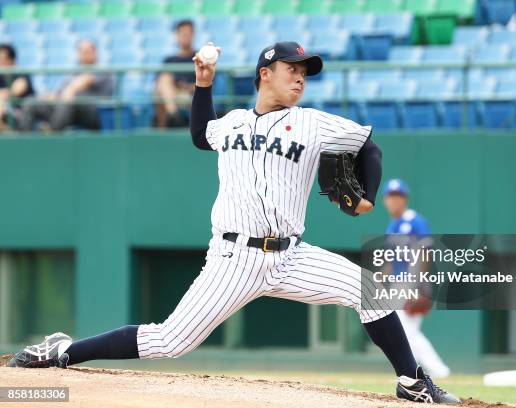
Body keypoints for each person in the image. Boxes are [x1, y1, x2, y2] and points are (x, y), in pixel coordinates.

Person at [7, 41, 460, 404]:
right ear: (266, 74)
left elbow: (369, 146)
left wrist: (366, 196)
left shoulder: (314, 124)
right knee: (169, 341)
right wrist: (203, 84)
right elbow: (202, 135)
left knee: (369, 290)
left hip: (290, 254)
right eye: (292, 69)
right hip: (233, 257)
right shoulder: (234, 122)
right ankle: (63, 350)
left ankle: (411, 382)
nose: (300, 78)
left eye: (305, 72)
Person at [383, 179, 451, 379]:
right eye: (390, 197)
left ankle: (438, 371)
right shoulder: (392, 225)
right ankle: (423, 371)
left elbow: (425, 252)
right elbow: (391, 259)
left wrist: (420, 285)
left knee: (408, 332)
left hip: (412, 281)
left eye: (398, 196)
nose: (393, 201)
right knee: (403, 331)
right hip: (397, 283)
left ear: (405, 199)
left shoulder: (414, 220)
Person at [15, 40, 112, 132]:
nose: (84, 54)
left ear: (95, 53)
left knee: (69, 101)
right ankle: (24, 140)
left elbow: (85, 80)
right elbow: (60, 94)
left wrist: (69, 91)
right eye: (81, 51)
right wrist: (51, 97)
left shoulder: (102, 71)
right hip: (66, 110)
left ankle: (50, 135)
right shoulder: (72, 74)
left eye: (87, 51)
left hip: (92, 113)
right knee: (31, 103)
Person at [154, 19, 197, 128]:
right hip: (171, 95)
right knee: (164, 80)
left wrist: (187, 87)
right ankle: (173, 114)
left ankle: (173, 114)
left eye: (187, 34)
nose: (185, 37)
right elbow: (159, 83)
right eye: (182, 34)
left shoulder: (199, 58)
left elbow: (208, 84)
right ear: (177, 36)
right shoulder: (169, 60)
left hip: (191, 95)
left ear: (193, 35)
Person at [0, 44, 35, 131]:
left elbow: (17, 90)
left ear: (13, 60)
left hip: (21, 114)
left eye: (3, 60)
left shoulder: (21, 73)